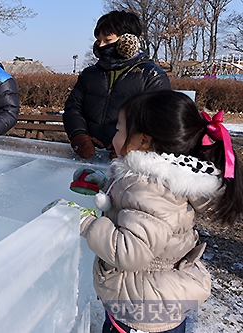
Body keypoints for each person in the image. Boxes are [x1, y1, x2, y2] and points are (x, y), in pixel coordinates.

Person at [66, 90, 243, 333]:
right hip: (150, 296)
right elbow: (136, 208)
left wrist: (85, 223)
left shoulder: (150, 188)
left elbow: (130, 251)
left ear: (144, 141)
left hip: (142, 312)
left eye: (119, 130)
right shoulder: (158, 178)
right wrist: (104, 184)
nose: (113, 138)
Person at [63, 10, 171, 159]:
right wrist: (78, 135)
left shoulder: (151, 75)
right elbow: (73, 108)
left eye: (107, 40)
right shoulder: (89, 74)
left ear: (128, 41)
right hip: (88, 155)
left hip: (130, 160)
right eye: (98, 40)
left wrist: (131, 146)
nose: (101, 45)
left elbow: (159, 119)